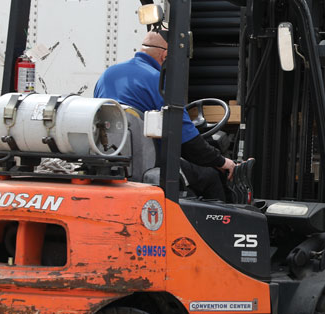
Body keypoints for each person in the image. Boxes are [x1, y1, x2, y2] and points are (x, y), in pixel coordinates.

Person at [95, 29, 237, 200]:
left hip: (110, 162)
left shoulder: (107, 75)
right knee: (211, 176)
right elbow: (188, 142)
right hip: (150, 164)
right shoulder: (160, 82)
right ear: (165, 56)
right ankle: (219, 226)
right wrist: (222, 162)